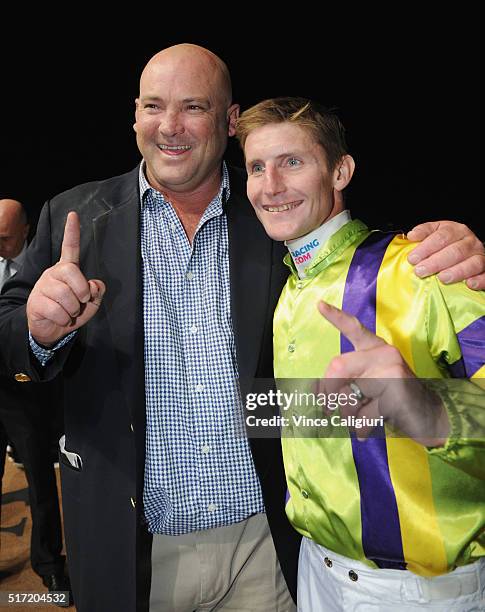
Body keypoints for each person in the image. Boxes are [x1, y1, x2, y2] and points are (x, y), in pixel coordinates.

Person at [0, 45, 483, 612]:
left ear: (229, 121)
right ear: (134, 115)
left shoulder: (276, 218)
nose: (171, 126)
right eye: (154, 106)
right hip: (137, 547)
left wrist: (460, 255)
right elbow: (10, 331)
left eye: (194, 106)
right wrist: (38, 331)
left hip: (270, 548)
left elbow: (358, 268)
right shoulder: (74, 215)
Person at [236, 96, 485, 611]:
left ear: (340, 171)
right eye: (256, 167)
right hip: (313, 568)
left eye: (293, 162)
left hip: (416, 591)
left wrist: (430, 408)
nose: (270, 184)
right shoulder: (288, 290)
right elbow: (324, 420)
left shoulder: (423, 268)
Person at [0, 199, 71, 602]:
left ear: (25, 230)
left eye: (6, 237)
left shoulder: (46, 267)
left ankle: (48, 565)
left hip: (25, 394)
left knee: (41, 483)